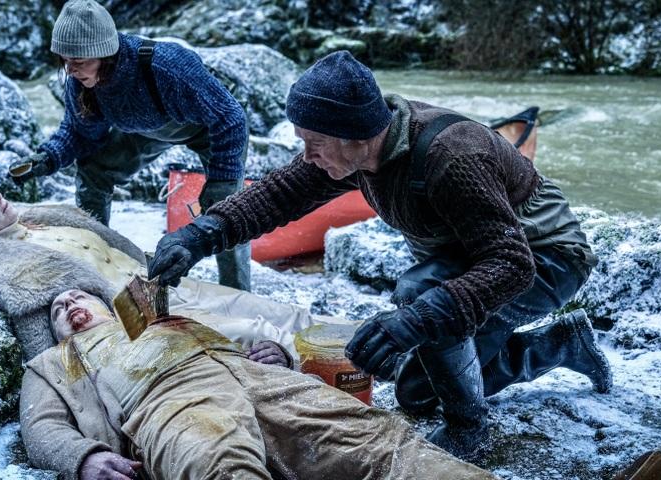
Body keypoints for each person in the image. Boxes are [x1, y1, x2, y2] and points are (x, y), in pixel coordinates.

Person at [147, 51, 611, 459]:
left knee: (419, 295)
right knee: (417, 392)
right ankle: (561, 345)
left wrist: (419, 318)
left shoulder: (452, 156)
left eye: (314, 143)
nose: (307, 156)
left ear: (353, 135)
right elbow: (280, 194)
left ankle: (471, 430)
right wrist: (203, 233)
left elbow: (511, 265)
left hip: (545, 258)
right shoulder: (359, 150)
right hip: (473, 260)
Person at [22, 287, 499, 480]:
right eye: (59, 310)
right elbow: (41, 427)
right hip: (168, 400)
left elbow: (255, 330)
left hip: (259, 377)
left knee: (377, 439)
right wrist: (83, 458)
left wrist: (283, 354)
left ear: (108, 305)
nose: (69, 305)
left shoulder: (161, 318)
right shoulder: (54, 360)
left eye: (78, 296)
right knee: (218, 464)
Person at [0, 171, 323, 362]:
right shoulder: (1, 265)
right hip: (140, 316)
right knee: (259, 333)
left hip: (162, 282)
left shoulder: (41, 215)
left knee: (289, 315)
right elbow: (38, 336)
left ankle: (357, 360)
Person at [7, 0, 251, 291]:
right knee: (93, 170)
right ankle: (96, 259)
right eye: (64, 59)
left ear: (104, 53)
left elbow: (232, 118)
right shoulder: (81, 82)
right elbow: (81, 134)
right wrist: (47, 159)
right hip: (143, 129)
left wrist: (222, 178)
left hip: (205, 128)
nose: (70, 70)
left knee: (226, 208)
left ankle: (238, 293)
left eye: (79, 60)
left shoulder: (167, 66)